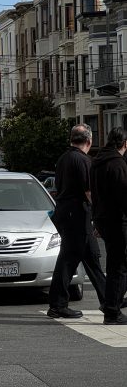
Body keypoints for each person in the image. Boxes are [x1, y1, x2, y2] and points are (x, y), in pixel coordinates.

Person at [47, 124, 106, 319]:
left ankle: (108, 299)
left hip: (66, 213)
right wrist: (99, 217)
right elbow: (89, 192)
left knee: (92, 257)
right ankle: (57, 304)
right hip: (77, 215)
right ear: (89, 141)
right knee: (68, 260)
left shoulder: (64, 158)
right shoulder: (83, 160)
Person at [90, 127, 127, 325]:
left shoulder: (97, 163)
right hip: (117, 221)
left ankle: (112, 302)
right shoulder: (118, 164)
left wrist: (96, 219)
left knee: (117, 265)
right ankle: (112, 309)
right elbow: (124, 196)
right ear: (125, 144)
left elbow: (94, 195)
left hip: (103, 220)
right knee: (118, 266)